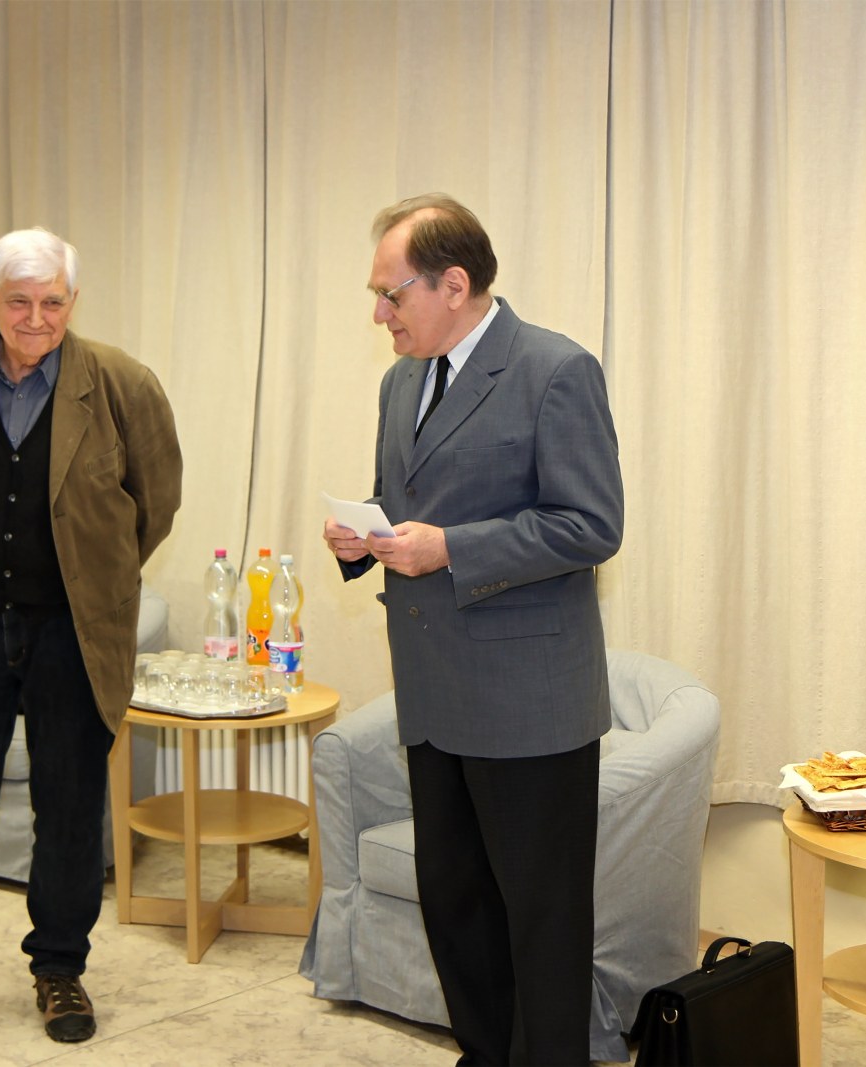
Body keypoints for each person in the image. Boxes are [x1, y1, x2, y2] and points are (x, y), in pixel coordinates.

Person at [322, 194, 623, 1066]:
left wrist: (450, 547)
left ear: (453, 284)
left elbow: (590, 524)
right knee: (455, 904)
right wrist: (364, 535)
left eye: (391, 295)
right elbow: (410, 500)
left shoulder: (555, 370)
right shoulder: (401, 380)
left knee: (541, 920)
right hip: (433, 689)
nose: (379, 314)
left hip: (530, 703)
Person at [0, 226, 182, 1059]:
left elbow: (155, 503)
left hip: (72, 632)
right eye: (19, 301)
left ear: (72, 300)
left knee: (70, 809)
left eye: (53, 301)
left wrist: (90, 576)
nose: (37, 318)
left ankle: (59, 967)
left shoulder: (123, 385)